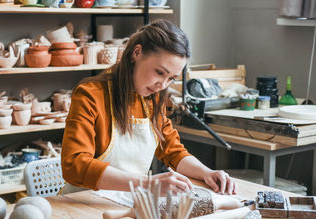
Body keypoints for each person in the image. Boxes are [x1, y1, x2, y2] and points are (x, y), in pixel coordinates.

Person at [61, 19, 236, 196]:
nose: (162, 84)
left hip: (127, 201)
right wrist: (147, 184)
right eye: (160, 72)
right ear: (137, 52)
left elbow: (172, 150)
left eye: (171, 78)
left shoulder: (152, 100)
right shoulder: (90, 95)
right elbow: (75, 165)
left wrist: (206, 173)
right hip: (82, 202)